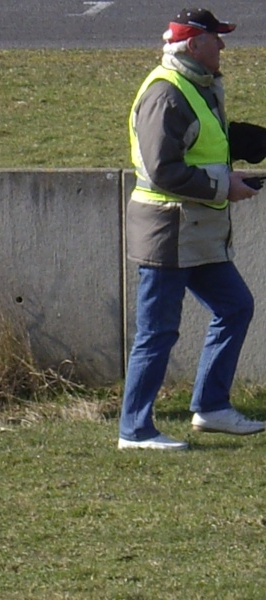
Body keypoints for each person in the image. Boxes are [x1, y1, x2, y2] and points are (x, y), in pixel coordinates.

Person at [119, 8, 266, 450]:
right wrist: (226, 186)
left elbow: (219, 138)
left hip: (194, 231)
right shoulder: (167, 94)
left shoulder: (197, 86)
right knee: (157, 332)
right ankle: (135, 430)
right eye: (216, 38)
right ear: (194, 44)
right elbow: (165, 170)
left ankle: (211, 408)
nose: (223, 46)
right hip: (166, 233)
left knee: (236, 307)